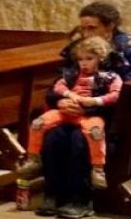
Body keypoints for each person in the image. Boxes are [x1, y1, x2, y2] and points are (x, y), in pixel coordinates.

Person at [21, 36, 122, 198]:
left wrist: (92, 102)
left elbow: (116, 96)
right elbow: (56, 88)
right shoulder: (71, 73)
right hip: (65, 112)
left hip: (94, 114)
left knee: (89, 135)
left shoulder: (109, 76)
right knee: (41, 124)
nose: (84, 63)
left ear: (101, 58)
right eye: (81, 59)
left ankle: (97, 171)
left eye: (89, 59)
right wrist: (64, 98)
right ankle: (34, 161)